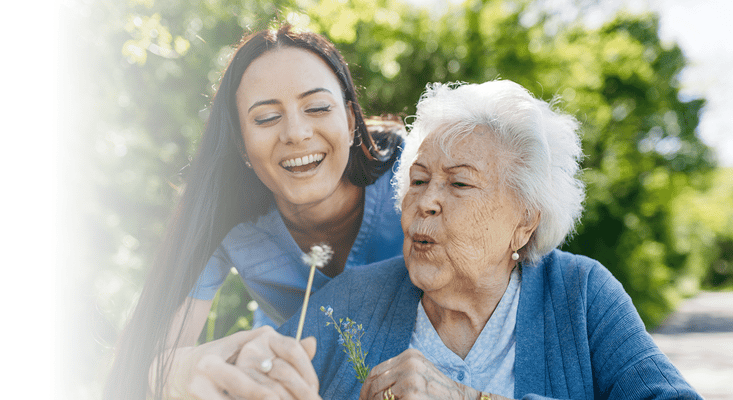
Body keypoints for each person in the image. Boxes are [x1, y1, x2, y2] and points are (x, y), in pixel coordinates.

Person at [277, 80, 701, 399]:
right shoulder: (353, 299)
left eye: (459, 183)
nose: (425, 202)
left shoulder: (581, 294)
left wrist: (470, 398)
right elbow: (253, 380)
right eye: (418, 180)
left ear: (525, 221)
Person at [104, 25, 404, 400]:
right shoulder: (225, 212)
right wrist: (186, 370)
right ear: (242, 146)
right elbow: (146, 358)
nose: (296, 132)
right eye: (265, 118)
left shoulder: (419, 175)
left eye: (317, 107)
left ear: (349, 121)